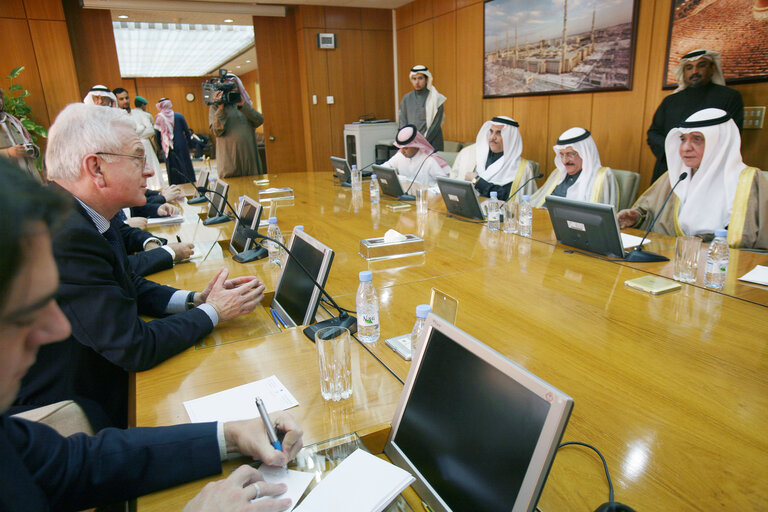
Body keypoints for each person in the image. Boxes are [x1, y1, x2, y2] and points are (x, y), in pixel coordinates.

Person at [0, 161, 303, 511]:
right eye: (27, 309)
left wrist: (230, 435)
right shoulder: (71, 231)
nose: (58, 326)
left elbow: (78, 463)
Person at [13, 103, 265, 429]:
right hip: (73, 411)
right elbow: (134, 347)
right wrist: (213, 313)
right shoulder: (64, 234)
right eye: (138, 158)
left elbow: (127, 280)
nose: (149, 171)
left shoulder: (78, 212)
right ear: (96, 168)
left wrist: (197, 300)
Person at [619, 108, 767, 249]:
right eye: (683, 139)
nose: (685, 148)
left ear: (719, 143)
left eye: (697, 139)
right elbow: (647, 213)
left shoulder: (749, 181)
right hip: (667, 261)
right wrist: (635, 217)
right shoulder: (676, 176)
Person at [647, 49, 744, 183]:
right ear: (684, 72)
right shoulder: (670, 101)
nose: (694, 72)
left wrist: (697, 153)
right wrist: (676, 150)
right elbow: (654, 133)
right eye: (689, 68)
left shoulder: (729, 97)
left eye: (701, 65)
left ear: (712, 69)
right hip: (669, 166)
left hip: (710, 169)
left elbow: (730, 135)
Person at [529, 127, 619, 208]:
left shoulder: (603, 177)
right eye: (561, 155)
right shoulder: (558, 173)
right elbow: (538, 201)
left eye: (570, 154)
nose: (564, 161)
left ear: (585, 153)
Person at [453, 116, 537, 201]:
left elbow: (508, 198)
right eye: (491, 132)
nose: (492, 137)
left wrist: (477, 181)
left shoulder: (521, 168)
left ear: (511, 138)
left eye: (499, 133)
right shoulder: (473, 156)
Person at [209, 73, 265, 177]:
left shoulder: (245, 104)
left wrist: (243, 106)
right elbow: (216, 131)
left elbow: (259, 120)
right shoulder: (215, 107)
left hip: (249, 158)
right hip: (230, 161)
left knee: (253, 188)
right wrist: (221, 108)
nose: (231, 91)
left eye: (233, 87)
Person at [383, 124, 450, 189]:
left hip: (426, 197)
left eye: (406, 148)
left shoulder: (430, 159)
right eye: (400, 148)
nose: (402, 151)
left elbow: (444, 183)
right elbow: (384, 168)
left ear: (416, 146)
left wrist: (430, 192)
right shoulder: (400, 156)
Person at [399, 65, 446, 151]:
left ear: (427, 79)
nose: (417, 82)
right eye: (414, 79)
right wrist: (408, 141)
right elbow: (403, 122)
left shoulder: (437, 99)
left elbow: (435, 126)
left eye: (420, 78)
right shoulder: (406, 99)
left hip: (432, 143)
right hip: (412, 144)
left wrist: (422, 143)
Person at [0, 88, 41, 182]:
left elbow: (30, 143)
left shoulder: (13, 120)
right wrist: (8, 152)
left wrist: (33, 150)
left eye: (0, 97)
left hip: (30, 180)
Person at [155, 97, 196, 185]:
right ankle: (189, 183)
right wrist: (190, 145)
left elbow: (157, 135)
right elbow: (187, 132)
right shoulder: (179, 116)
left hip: (168, 146)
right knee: (185, 164)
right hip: (181, 144)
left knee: (172, 166)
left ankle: (175, 184)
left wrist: (160, 147)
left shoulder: (159, 118)